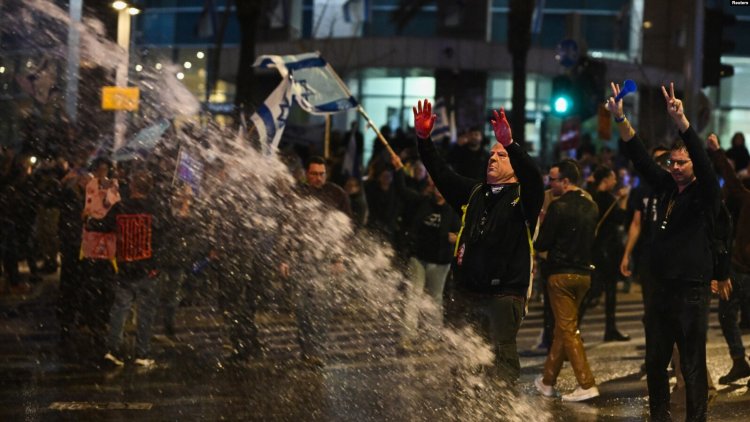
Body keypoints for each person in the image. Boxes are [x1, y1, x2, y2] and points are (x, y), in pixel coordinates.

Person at [609, 82, 721, 421]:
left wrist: (683, 124)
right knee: (655, 361)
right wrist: (620, 120)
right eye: (672, 162)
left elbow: (703, 162)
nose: (675, 167)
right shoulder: (666, 189)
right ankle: (660, 415)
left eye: (681, 163)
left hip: (690, 290)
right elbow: (641, 159)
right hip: (659, 288)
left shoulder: (704, 194)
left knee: (691, 363)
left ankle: (696, 418)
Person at [412, 99, 544, 382]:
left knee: (500, 360)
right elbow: (442, 173)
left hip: (504, 295)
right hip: (467, 292)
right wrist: (424, 140)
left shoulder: (525, 197)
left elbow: (534, 177)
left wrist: (511, 145)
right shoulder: (475, 193)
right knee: (464, 359)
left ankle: (505, 411)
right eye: (491, 156)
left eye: (501, 157)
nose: (493, 159)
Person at [533, 159, 600, 401]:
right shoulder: (591, 207)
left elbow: (542, 244)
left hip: (560, 275)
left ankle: (586, 383)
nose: (549, 185)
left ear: (566, 181)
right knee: (565, 328)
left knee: (568, 329)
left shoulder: (558, 207)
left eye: (552, 180)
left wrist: (541, 223)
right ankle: (547, 381)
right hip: (584, 275)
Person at [103, 170, 161, 368]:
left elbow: (103, 225)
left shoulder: (121, 207)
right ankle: (142, 353)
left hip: (125, 265)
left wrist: (89, 220)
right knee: (145, 312)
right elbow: (165, 234)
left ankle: (113, 350)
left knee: (120, 309)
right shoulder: (155, 208)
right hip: (148, 267)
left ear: (133, 186)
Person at [707, 133, 750, 386]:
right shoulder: (746, 198)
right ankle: (739, 361)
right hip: (739, 268)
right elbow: (733, 182)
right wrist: (717, 153)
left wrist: (717, 152)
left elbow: (733, 182)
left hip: (741, 268)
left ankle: (739, 360)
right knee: (727, 315)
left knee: (727, 316)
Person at [579, 166, 630, 341]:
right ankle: (610, 328)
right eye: (613, 178)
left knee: (591, 290)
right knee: (607, 291)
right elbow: (620, 218)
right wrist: (623, 200)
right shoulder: (607, 198)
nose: (615, 182)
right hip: (608, 250)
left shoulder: (589, 196)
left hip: (593, 249)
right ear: (606, 180)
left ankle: (575, 328)